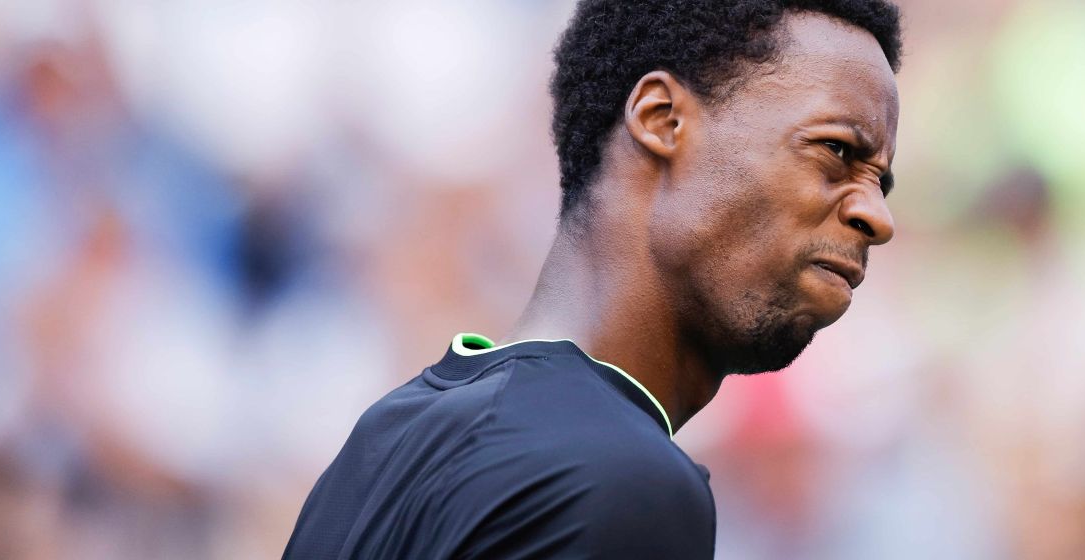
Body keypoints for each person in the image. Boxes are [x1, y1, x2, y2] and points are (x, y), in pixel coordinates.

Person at [283, 0, 902, 558]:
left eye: (882, 181)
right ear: (662, 119)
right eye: (836, 151)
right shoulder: (620, 481)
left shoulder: (389, 434)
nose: (877, 217)